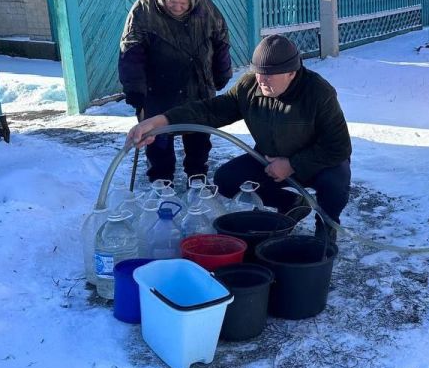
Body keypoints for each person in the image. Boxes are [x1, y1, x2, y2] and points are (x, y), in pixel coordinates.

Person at [127, 34, 352, 244]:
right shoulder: (249, 86)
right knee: (226, 179)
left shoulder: (318, 93)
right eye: (258, 72)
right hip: (268, 158)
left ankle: (326, 226)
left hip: (317, 162)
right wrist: (160, 122)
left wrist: (292, 164)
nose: (262, 80)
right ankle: (291, 203)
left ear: (291, 72)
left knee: (335, 184)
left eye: (269, 75)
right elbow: (211, 110)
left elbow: (339, 146)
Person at [119, 0, 233, 184]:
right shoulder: (143, 10)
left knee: (199, 133)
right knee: (157, 137)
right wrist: (134, 89)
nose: (178, 8)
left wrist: (222, 73)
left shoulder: (205, 7)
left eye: (183, 3)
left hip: (197, 83)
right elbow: (130, 52)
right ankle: (161, 180)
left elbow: (221, 41)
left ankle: (197, 175)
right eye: (173, 3)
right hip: (158, 87)